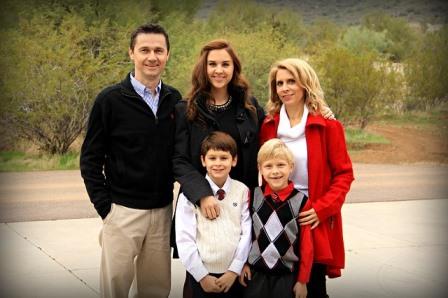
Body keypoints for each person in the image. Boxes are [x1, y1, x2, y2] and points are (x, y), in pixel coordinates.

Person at [80, 23, 181, 298]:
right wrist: (106, 209)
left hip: (161, 211)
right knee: (115, 291)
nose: (152, 56)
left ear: (167, 55)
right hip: (122, 212)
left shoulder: (175, 100)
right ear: (131, 53)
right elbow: (90, 159)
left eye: (158, 50)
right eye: (144, 50)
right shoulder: (109, 100)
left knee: (156, 291)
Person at [172, 39, 264, 297]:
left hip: (241, 204)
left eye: (225, 64)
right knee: (198, 284)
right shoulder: (186, 109)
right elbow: (178, 160)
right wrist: (202, 194)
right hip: (199, 205)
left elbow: (273, 134)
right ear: (204, 68)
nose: (219, 70)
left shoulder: (250, 107)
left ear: (234, 68)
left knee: (239, 281)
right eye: (212, 64)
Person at [258, 58, 354, 298]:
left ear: (305, 85)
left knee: (313, 288)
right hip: (276, 214)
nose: (285, 88)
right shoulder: (268, 125)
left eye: (292, 81)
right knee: (279, 286)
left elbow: (344, 174)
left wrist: (322, 209)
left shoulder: (328, 125)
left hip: (311, 216)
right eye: (280, 83)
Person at [175, 131, 252, 298]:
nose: (218, 163)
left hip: (233, 275)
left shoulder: (242, 191)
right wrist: (201, 276)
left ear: (234, 160)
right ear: (203, 160)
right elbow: (184, 238)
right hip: (202, 275)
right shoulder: (189, 195)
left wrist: (234, 270)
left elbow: (246, 232)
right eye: (212, 158)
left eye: (224, 158)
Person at [239, 138, 313, 298]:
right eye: (268, 166)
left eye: (281, 165)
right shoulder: (253, 195)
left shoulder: (302, 201)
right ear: (260, 169)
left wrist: (302, 281)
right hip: (255, 272)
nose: (275, 171)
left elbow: (307, 245)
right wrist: (243, 264)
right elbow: (246, 234)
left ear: (291, 167)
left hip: (286, 275)